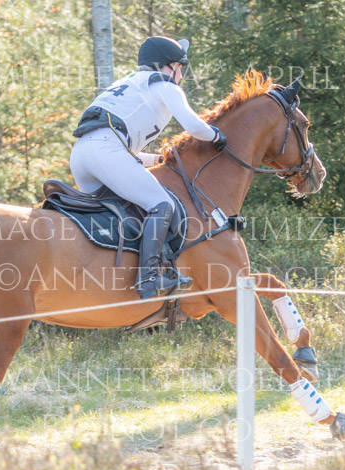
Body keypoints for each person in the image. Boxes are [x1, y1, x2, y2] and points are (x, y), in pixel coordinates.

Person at [70, 36, 227, 299]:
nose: (181, 74)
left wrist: (157, 159)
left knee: (121, 211)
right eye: (181, 67)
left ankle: (106, 276)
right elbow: (195, 127)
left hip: (82, 155)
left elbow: (114, 146)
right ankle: (148, 278)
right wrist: (217, 136)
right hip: (106, 150)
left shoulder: (125, 83)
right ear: (170, 66)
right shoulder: (165, 85)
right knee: (161, 204)